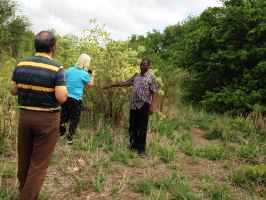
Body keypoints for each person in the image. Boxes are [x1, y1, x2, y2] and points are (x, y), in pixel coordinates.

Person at [10, 31, 68, 200]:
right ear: (53, 47)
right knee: (39, 164)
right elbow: (61, 97)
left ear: (36, 45)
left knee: (24, 157)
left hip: (25, 117)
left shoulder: (21, 64)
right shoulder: (57, 68)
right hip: (47, 120)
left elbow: (13, 90)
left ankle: (24, 190)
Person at [104, 58, 159, 154]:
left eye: (145, 65)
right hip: (133, 105)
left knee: (142, 127)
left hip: (144, 105)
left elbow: (154, 92)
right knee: (133, 126)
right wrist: (112, 85)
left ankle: (141, 149)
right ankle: (133, 145)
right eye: (141, 64)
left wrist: (152, 106)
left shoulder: (151, 77)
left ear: (149, 66)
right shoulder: (136, 76)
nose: (142, 66)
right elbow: (125, 83)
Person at [60, 53, 94, 144]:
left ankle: (61, 132)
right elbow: (90, 85)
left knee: (64, 116)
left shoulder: (70, 70)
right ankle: (69, 138)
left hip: (65, 97)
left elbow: (63, 78)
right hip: (76, 99)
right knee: (74, 119)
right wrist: (92, 75)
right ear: (86, 63)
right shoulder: (85, 74)